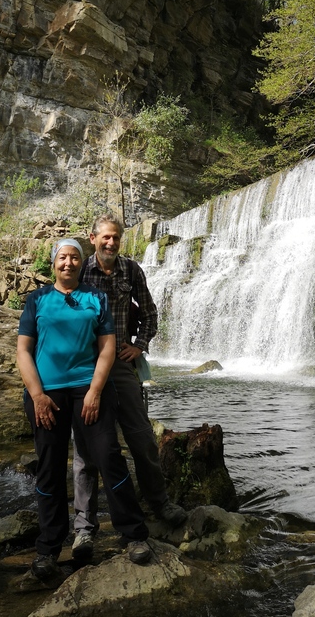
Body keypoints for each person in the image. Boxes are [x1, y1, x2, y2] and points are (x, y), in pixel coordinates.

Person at [16, 237, 150, 579]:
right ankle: (47, 549)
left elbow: (107, 348)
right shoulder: (37, 299)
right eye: (62, 257)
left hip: (89, 389)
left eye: (74, 257)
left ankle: (133, 535)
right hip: (47, 393)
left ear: (81, 263)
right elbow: (23, 352)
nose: (68, 263)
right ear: (53, 263)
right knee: (49, 467)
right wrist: (37, 395)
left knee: (108, 457)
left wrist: (95, 390)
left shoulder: (96, 297)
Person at [71, 215, 187, 560]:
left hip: (121, 365)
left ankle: (159, 504)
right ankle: (84, 527)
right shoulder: (80, 271)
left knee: (141, 438)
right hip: (85, 367)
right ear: (93, 238)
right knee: (85, 451)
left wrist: (139, 345)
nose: (110, 243)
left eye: (116, 239)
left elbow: (150, 314)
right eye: (105, 238)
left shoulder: (132, 270)